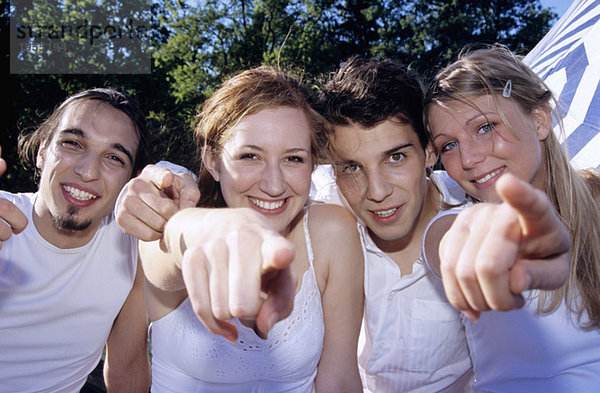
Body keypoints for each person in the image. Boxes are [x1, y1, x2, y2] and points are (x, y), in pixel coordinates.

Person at [128, 66, 364, 392]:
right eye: (250, 155)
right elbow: (170, 247)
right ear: (212, 160)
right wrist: (213, 229)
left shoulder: (331, 232)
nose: (273, 184)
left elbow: (339, 379)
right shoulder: (168, 222)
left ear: (313, 164)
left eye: (293, 159)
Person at [425, 45, 600, 391]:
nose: (470, 158)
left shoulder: (594, 199)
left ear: (539, 120)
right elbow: (461, 241)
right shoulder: (447, 227)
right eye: (449, 146)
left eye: (485, 127)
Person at [314, 56, 474, 392]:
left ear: (430, 152)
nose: (377, 191)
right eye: (352, 168)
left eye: (395, 157)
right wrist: (173, 177)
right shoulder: (319, 206)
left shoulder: (474, 215)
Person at [0, 88, 152, 392]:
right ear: (43, 152)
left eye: (113, 158)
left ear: (130, 183)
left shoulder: (133, 251)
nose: (87, 171)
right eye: (72, 143)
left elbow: (128, 366)